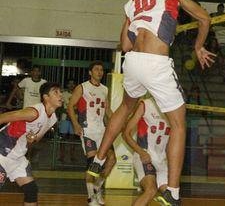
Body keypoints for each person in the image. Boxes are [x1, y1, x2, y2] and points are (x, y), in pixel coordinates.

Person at [87, 0, 215, 206]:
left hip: (133, 62)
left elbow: (125, 45)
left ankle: (99, 159)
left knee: (125, 108)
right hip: (156, 63)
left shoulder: (133, 1)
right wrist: (198, 47)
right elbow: (205, 19)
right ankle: (173, 191)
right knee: (178, 123)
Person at [0, 82, 62, 206]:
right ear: (46, 97)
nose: (61, 95)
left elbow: (34, 141)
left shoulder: (53, 119)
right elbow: (3, 117)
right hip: (2, 153)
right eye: (56, 92)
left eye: (60, 92)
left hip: (17, 157)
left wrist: (30, 140)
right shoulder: (34, 112)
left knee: (31, 190)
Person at [67, 61, 116, 206]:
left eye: (101, 70)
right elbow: (70, 106)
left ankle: (97, 187)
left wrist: (117, 122)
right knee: (93, 163)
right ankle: (91, 198)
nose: (100, 72)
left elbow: (107, 110)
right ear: (90, 72)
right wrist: (75, 124)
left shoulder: (105, 89)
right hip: (88, 130)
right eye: (96, 69)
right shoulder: (82, 87)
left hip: (102, 130)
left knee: (112, 159)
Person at [122, 98, 170, 206]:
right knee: (151, 190)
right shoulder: (145, 105)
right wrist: (141, 152)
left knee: (172, 197)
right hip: (144, 154)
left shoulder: (172, 109)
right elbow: (126, 134)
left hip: (162, 159)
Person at [58, 79, 77, 163]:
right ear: (67, 85)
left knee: (73, 138)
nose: (71, 85)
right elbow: (60, 107)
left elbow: (79, 108)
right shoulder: (63, 94)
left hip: (74, 119)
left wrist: (72, 112)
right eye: (69, 84)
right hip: (64, 118)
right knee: (63, 138)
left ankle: (72, 156)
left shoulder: (78, 94)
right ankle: (62, 156)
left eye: (73, 84)